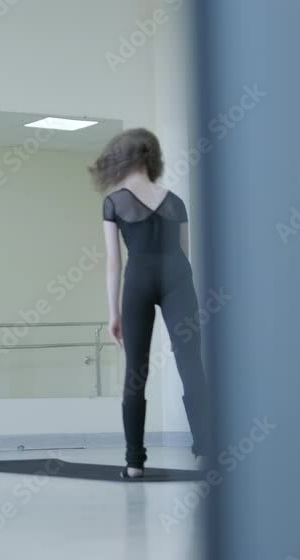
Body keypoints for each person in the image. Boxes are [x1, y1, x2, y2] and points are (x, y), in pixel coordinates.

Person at [89, 128, 210, 478]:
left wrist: (113, 313)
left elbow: (114, 263)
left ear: (121, 158)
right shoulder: (176, 202)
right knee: (191, 365)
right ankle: (206, 450)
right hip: (178, 280)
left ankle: (134, 463)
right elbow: (185, 254)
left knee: (135, 371)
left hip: (139, 281)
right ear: (152, 158)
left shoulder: (115, 203)